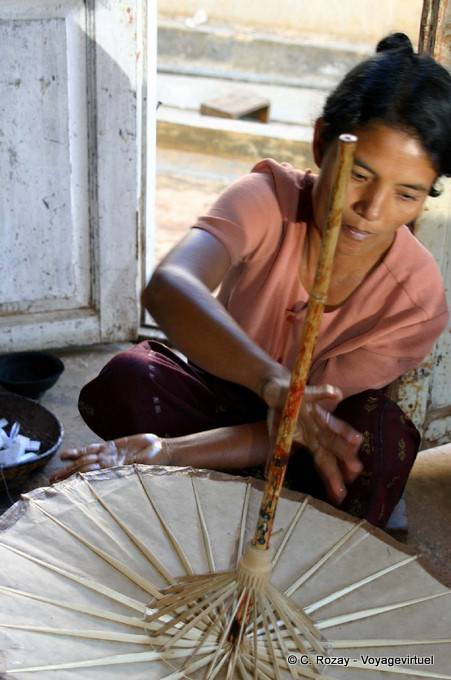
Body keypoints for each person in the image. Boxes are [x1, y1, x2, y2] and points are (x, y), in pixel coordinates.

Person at [52, 33, 451, 528]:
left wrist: (174, 453)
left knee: (379, 440)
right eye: (359, 175)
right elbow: (170, 286)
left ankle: (234, 496)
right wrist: (271, 384)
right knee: (130, 379)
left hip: (311, 443)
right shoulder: (268, 199)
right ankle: (222, 487)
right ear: (321, 143)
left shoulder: (417, 299)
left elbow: (300, 425)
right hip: (227, 397)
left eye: (406, 195)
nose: (371, 211)